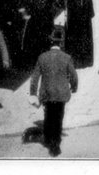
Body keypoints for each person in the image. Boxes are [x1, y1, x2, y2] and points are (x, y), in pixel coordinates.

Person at [30, 27, 78, 157]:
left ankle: (47, 138)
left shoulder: (42, 57)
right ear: (61, 43)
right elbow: (74, 76)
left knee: (48, 114)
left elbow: (34, 78)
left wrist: (33, 93)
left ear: (51, 42)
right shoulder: (67, 58)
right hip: (61, 93)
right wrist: (74, 87)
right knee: (58, 117)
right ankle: (55, 143)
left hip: (47, 93)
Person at [54, 0, 95, 69]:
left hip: (71, 19)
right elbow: (89, 1)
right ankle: (85, 61)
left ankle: (74, 62)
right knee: (84, 39)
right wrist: (90, 14)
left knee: (73, 40)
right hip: (84, 18)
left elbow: (58, 4)